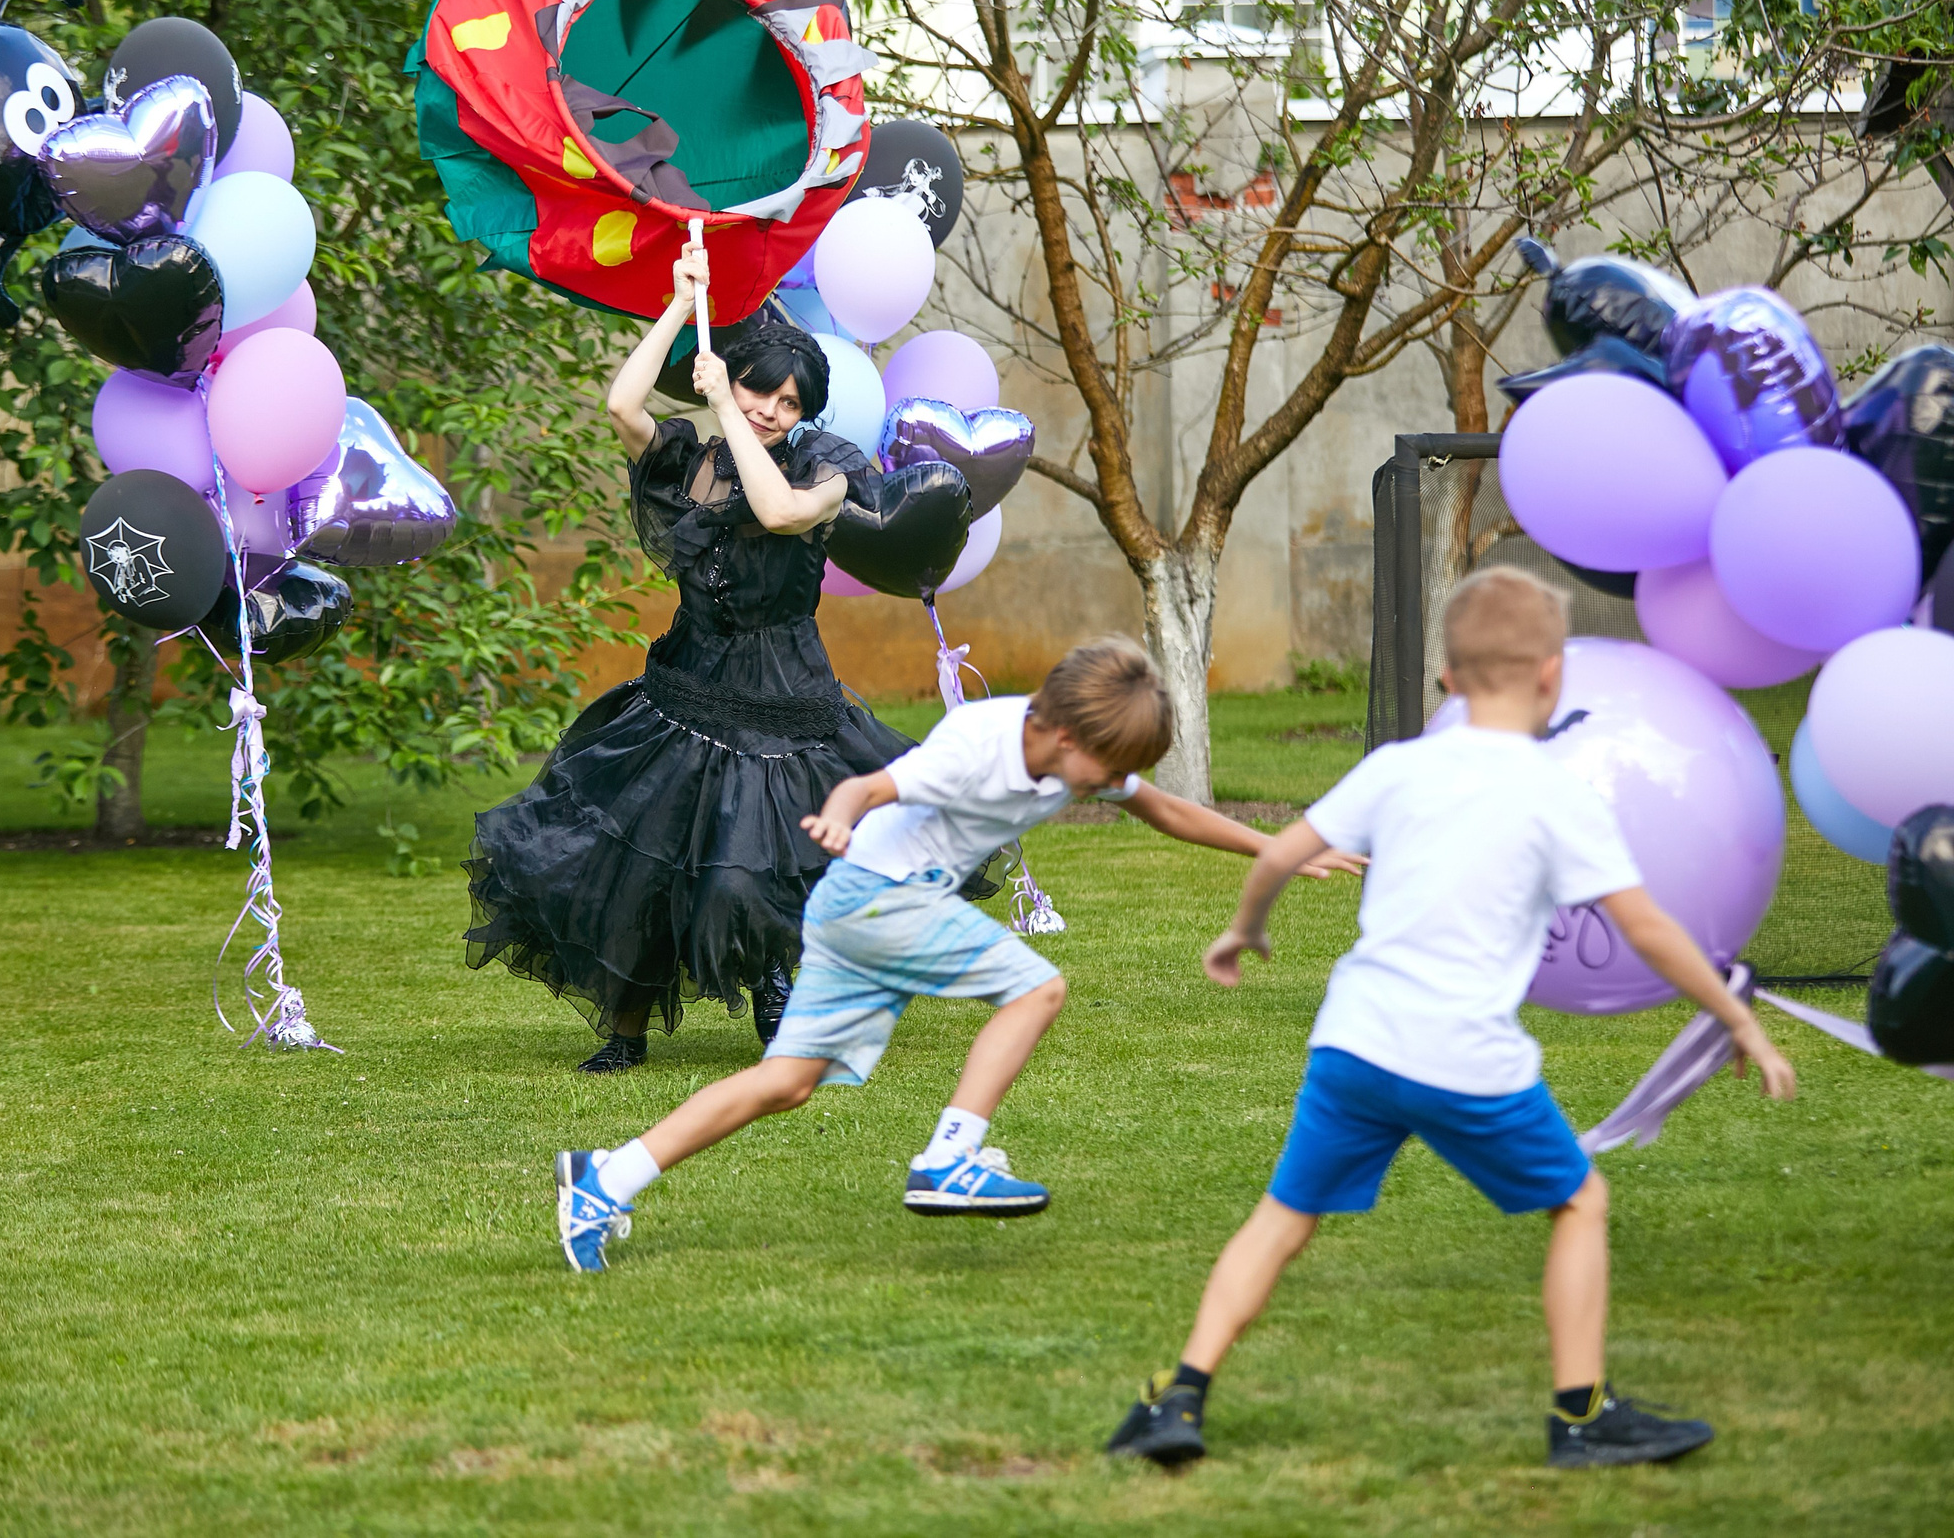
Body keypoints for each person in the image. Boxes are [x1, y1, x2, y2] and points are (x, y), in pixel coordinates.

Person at [1107, 565, 1798, 1472]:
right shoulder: (1559, 796)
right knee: (1579, 1198)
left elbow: (1280, 853)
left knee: (1282, 1216)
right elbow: (1651, 931)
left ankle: (1177, 1395)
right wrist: (1737, 1019)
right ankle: (1582, 1416)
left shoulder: (1399, 766)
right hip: (1463, 1057)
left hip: (1354, 1042)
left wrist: (1244, 930)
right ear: (1552, 674)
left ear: (1449, 678)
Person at [551, 638, 1366, 1271]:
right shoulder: (978, 741)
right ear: (1058, 728)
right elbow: (871, 787)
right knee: (1037, 988)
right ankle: (951, 1158)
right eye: (1107, 764)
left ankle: (604, 1180)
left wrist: (1281, 848)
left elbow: (1163, 810)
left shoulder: (1075, 758)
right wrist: (836, 816)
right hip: (877, 893)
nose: (1112, 780)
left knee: (785, 1083)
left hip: (859, 909)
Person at [464, 236, 910, 1071]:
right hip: (688, 687)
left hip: (783, 696)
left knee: (756, 866)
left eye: (788, 399)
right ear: (729, 380)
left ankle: (778, 980)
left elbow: (775, 510)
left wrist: (731, 418)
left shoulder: (828, 468)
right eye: (757, 390)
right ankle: (625, 1028)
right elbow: (622, 408)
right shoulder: (687, 463)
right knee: (643, 864)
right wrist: (678, 304)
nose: (771, 408)